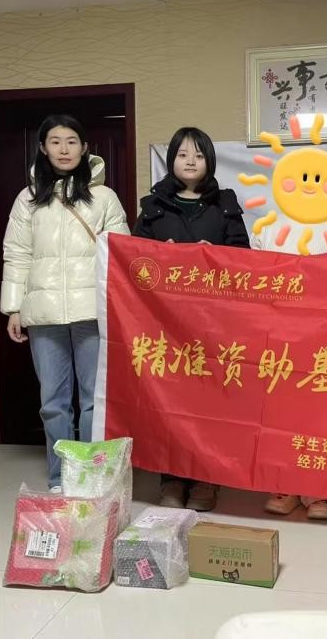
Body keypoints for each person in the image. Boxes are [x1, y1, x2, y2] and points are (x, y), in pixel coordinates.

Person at [1, 114, 129, 492]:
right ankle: (60, 475)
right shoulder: (27, 198)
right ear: (43, 148)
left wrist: (119, 307)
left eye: (71, 141)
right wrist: (13, 308)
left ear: (85, 148)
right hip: (44, 313)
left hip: (92, 311)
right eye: (55, 142)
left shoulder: (104, 197)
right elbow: (17, 254)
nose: (64, 149)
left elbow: (120, 254)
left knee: (93, 400)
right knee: (53, 402)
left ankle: (89, 474)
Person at [133, 126, 250, 511]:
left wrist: (211, 254)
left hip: (212, 322)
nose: (190, 161)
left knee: (208, 401)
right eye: (182, 154)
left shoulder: (225, 204)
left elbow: (244, 258)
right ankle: (171, 479)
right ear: (171, 160)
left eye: (198, 155)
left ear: (209, 161)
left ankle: (204, 480)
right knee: (168, 402)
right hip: (163, 324)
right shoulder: (153, 206)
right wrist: (160, 255)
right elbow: (134, 262)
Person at [251, 216, 327, 521]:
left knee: (323, 412)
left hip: (326, 331)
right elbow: (257, 276)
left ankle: (321, 490)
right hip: (280, 330)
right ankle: (283, 486)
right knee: (281, 410)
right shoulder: (267, 226)